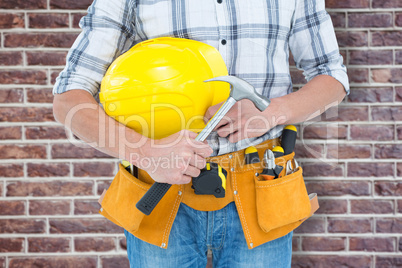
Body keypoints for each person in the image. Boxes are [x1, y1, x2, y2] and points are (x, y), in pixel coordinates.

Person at [52, 0, 349, 267]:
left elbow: (332, 77)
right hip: (162, 190)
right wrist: (144, 152)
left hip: (261, 187)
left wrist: (270, 112)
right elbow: (68, 100)